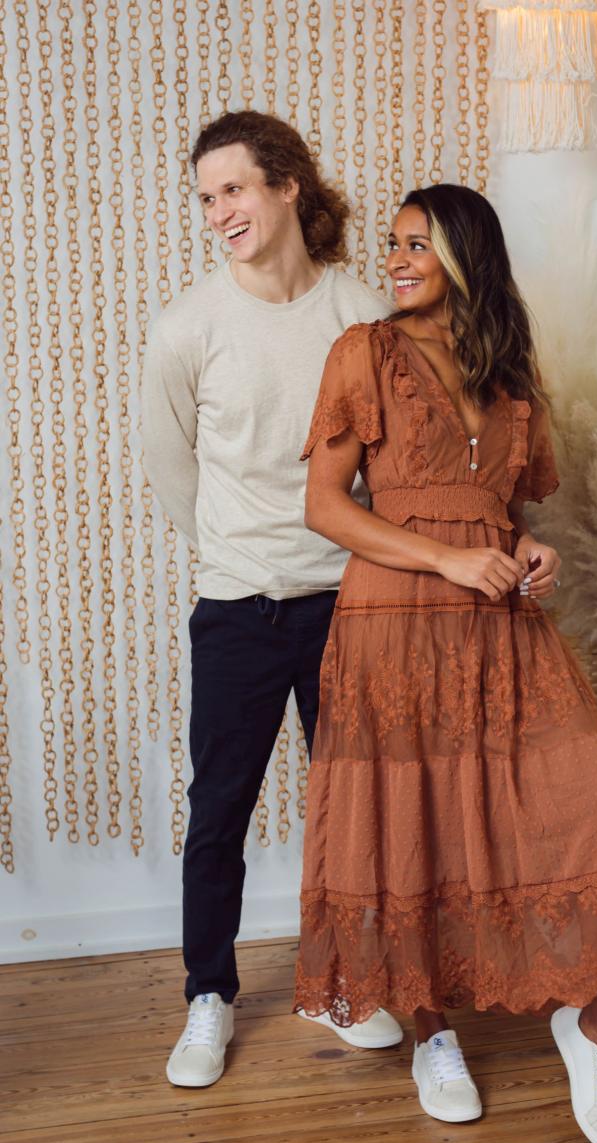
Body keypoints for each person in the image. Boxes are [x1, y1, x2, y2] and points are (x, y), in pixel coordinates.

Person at [293, 184, 597, 1143]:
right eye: (392, 244)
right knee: (412, 830)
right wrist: (447, 560)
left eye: (416, 244)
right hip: (390, 626)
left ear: (467, 255)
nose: (395, 259)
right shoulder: (363, 353)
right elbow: (326, 507)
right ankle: (431, 1034)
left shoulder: (510, 372)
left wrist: (526, 546)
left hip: (498, 624)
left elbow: (507, 508)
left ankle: (594, 1031)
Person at [141, 110, 402, 1089]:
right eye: (206, 198)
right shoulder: (186, 328)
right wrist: (235, 554)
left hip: (348, 603)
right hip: (237, 610)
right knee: (218, 812)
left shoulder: (359, 313)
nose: (218, 212)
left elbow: (391, 466)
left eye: (234, 190)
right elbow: (172, 468)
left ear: (288, 185)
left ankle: (360, 987)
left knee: (361, 811)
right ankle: (208, 996)